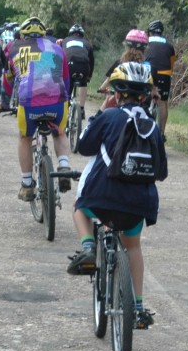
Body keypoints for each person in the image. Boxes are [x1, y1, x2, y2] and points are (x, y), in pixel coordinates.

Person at [67, 62, 168, 329]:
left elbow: (83, 146)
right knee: (133, 246)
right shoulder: (152, 127)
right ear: (145, 96)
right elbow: (161, 172)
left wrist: (101, 111)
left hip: (101, 198)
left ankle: (88, 247)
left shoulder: (109, 116)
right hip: (139, 204)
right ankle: (138, 308)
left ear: (117, 94)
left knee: (79, 207)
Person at [3, 17, 73, 198]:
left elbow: (8, 81)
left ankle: (27, 185)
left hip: (29, 103)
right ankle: (64, 166)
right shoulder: (57, 49)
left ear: (23, 35)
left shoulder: (14, 49)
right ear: (43, 35)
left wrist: (9, 100)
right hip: (57, 101)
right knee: (60, 133)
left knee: (25, 137)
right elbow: (66, 79)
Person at [143, 20, 175, 132]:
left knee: (142, 99)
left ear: (149, 32)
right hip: (164, 74)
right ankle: (161, 133)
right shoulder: (169, 46)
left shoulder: (145, 42)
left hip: (148, 73)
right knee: (163, 103)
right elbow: (171, 64)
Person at [60, 24, 95, 117]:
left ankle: (66, 106)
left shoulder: (64, 41)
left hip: (69, 65)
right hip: (84, 66)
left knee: (68, 83)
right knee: (83, 83)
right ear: (82, 35)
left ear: (70, 34)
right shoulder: (87, 43)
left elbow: (59, 56)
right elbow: (92, 61)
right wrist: (89, 76)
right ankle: (82, 109)